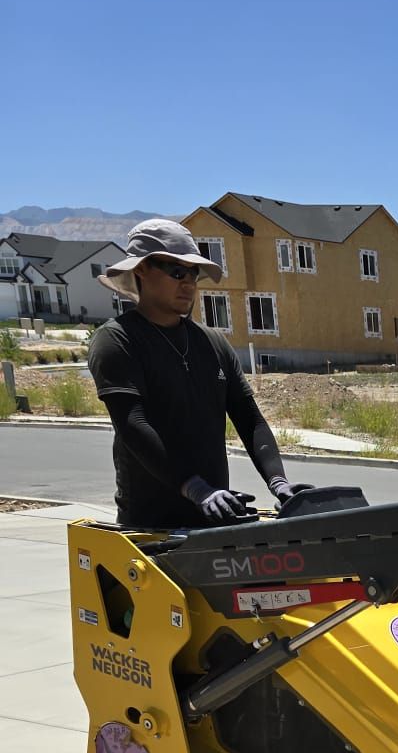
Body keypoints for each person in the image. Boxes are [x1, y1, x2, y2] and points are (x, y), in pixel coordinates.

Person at [90, 218, 309, 530]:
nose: (188, 283)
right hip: (152, 526)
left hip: (214, 518)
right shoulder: (118, 339)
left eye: (193, 273)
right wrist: (196, 488)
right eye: (176, 272)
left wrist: (278, 483)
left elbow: (250, 419)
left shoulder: (212, 343)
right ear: (141, 270)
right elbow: (133, 425)